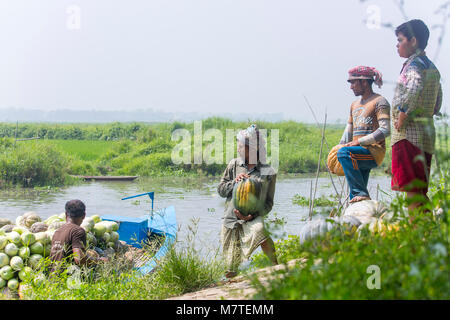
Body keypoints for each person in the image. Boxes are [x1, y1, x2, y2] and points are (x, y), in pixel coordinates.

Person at [391, 19, 442, 213]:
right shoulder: (431, 66)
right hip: (426, 135)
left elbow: (413, 86)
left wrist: (403, 113)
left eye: (400, 40)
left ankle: (417, 237)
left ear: (413, 41)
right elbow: (438, 102)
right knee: (420, 190)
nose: (397, 45)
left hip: (408, 136)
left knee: (412, 192)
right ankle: (426, 235)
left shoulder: (412, 66)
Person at [218, 124, 278, 279]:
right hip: (231, 218)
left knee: (260, 232)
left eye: (241, 147)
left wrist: (252, 216)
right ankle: (231, 287)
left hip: (252, 217)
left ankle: (277, 270)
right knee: (230, 267)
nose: (238, 150)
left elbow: (268, 203)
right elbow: (221, 190)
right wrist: (234, 184)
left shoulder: (268, 172)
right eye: (237, 146)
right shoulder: (234, 165)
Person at [337, 66, 391, 203]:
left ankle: (360, 193)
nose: (351, 87)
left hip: (373, 152)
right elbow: (348, 130)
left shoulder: (380, 102)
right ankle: (360, 200)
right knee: (356, 198)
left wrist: (359, 142)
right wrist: (339, 147)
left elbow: (385, 130)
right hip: (358, 153)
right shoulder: (354, 105)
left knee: (345, 154)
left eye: (353, 82)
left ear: (365, 82)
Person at [49, 199, 107, 271]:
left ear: (66, 214)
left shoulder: (57, 231)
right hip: (66, 279)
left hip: (52, 278)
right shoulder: (78, 231)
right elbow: (79, 259)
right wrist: (99, 261)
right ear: (84, 216)